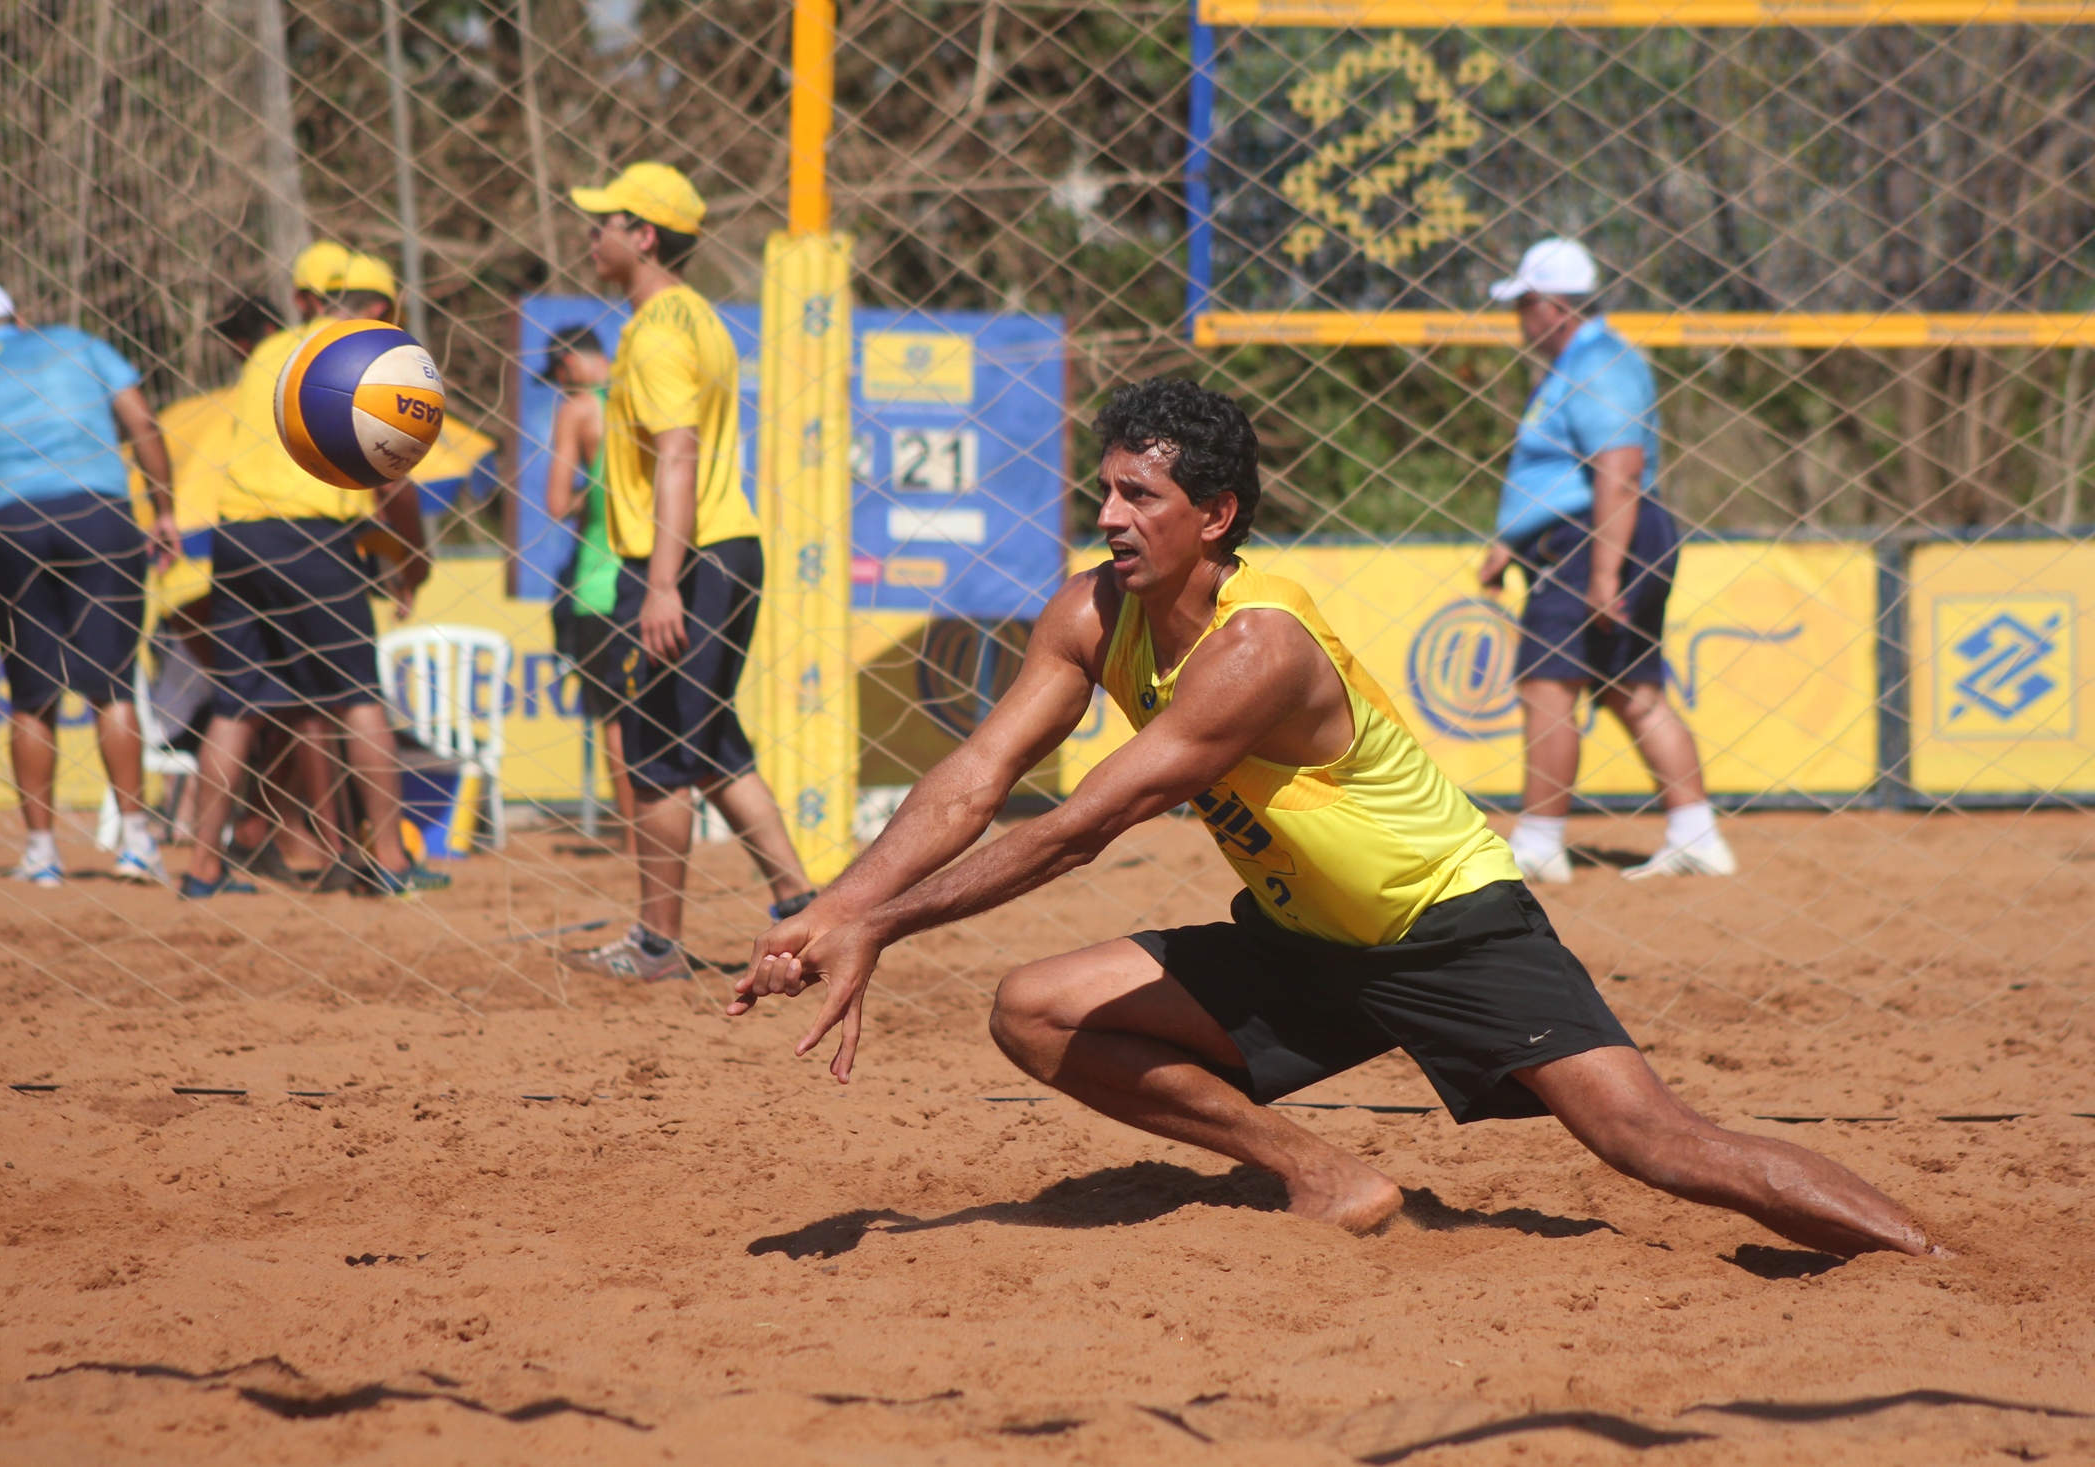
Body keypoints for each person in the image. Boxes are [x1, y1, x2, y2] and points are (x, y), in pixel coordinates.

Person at [730, 378, 1940, 1260]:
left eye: (1136, 495)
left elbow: (1080, 828)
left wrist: (882, 926)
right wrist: (829, 910)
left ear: (1215, 513)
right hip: (1302, 938)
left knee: (1654, 1145)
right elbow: (973, 779)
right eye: (1100, 489)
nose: (1105, 516)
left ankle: (1932, 1268)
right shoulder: (1092, 612)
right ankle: (1330, 1178)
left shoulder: (1260, 644)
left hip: (1448, 925)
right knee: (1035, 1010)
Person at [560, 162, 814, 980]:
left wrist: (662, 580)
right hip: (723, 550)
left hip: (685, 558)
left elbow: (678, 454)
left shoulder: (661, 330)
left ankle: (657, 944)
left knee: (653, 751)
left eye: (602, 221)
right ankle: (803, 905)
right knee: (708, 742)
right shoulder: (692, 316)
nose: (587, 233)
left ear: (643, 236)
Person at [177, 247, 447, 899]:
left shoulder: (271, 352)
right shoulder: (369, 363)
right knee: (358, 697)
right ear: (381, 311)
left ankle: (202, 869)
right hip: (312, 536)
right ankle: (388, 861)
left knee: (234, 706)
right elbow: (396, 488)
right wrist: (412, 563)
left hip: (236, 534)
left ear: (307, 296)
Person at [1475, 240, 1735, 883]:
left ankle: (1538, 842)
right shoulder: (1580, 361)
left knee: (1547, 682)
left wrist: (1601, 575)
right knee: (1630, 688)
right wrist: (1510, 540)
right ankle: (1695, 833)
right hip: (1594, 535)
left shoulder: (1598, 359)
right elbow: (1564, 472)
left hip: (1594, 539)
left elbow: (1620, 469)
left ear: (1553, 306)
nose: (1518, 319)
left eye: (1524, 304)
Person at [0, 282, 177, 886]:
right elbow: (141, 421)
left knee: (31, 697)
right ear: (19, 318)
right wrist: (164, 508)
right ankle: (135, 845)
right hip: (99, 516)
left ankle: (41, 854)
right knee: (112, 687)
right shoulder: (77, 344)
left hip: (11, 528)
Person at [542, 326, 638, 847]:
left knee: (615, 716)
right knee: (658, 710)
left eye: (558, 376)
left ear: (571, 362)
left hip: (601, 582)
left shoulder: (580, 409)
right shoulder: (648, 395)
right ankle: (667, 830)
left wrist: (595, 493)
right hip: (665, 577)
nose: (559, 388)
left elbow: (556, 503)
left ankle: (633, 834)